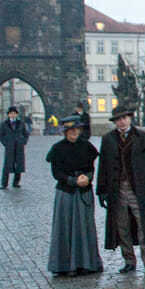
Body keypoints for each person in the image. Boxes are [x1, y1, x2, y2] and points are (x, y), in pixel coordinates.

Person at [96, 105, 145, 274]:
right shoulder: (108, 139)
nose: (122, 122)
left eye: (124, 118)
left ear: (130, 118)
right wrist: (102, 189)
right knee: (122, 226)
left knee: (143, 225)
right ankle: (129, 260)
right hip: (116, 189)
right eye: (118, 119)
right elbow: (103, 166)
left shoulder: (143, 137)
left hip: (137, 189)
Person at [45, 115, 103, 276]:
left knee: (85, 228)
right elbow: (56, 173)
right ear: (65, 132)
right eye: (70, 130)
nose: (73, 133)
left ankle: (87, 263)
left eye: (75, 130)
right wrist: (72, 180)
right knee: (65, 228)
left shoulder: (86, 147)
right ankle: (64, 265)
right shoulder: (57, 149)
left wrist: (87, 178)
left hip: (84, 191)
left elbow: (91, 167)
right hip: (66, 192)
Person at [0, 106, 29, 189]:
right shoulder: (4, 124)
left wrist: (23, 141)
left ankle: (16, 182)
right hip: (9, 147)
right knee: (7, 164)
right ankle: (4, 183)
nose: (13, 115)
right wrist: (5, 143)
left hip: (19, 146)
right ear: (8, 115)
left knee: (18, 164)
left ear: (17, 114)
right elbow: (1, 135)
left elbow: (26, 133)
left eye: (14, 113)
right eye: (11, 113)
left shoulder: (21, 123)